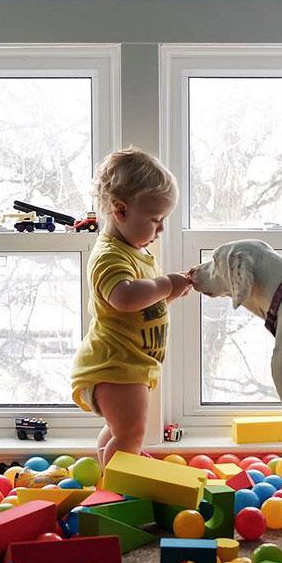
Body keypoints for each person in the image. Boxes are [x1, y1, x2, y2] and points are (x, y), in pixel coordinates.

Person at [71, 147, 193, 466]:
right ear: (121, 211)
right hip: (115, 366)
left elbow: (141, 302)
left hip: (130, 365)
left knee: (120, 431)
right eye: (155, 220)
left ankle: (106, 473)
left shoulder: (136, 253)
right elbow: (123, 297)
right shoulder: (109, 256)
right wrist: (165, 284)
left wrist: (170, 292)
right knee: (131, 433)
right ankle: (116, 493)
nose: (161, 230)